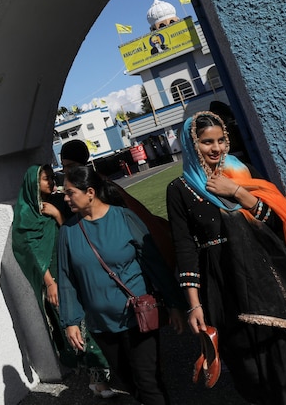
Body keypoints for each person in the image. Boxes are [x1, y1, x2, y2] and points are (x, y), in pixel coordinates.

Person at [166, 111, 286, 404]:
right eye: (206, 142)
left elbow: (277, 225)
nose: (216, 148)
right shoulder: (180, 190)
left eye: (220, 140)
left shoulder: (242, 173)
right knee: (252, 371)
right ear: (191, 145)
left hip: (268, 281)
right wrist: (193, 305)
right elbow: (185, 248)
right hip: (223, 289)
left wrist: (238, 192)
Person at [58, 165, 185, 405]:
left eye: (70, 192)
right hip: (101, 323)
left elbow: (154, 263)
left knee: (148, 380)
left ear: (90, 192)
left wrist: (174, 303)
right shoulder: (68, 232)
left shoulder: (124, 218)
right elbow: (66, 278)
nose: (65, 198)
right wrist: (71, 321)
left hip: (138, 315)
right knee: (127, 380)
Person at [11, 164, 114, 399]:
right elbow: (31, 254)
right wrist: (49, 283)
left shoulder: (59, 203)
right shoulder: (25, 215)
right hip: (55, 280)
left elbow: (72, 231)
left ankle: (100, 377)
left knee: (94, 322)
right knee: (78, 329)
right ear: (33, 184)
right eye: (45, 179)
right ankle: (97, 381)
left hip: (74, 271)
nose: (51, 182)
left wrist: (58, 216)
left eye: (50, 177)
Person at [60, 139, 177, 270]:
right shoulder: (93, 184)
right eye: (64, 166)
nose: (66, 171)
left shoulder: (101, 185)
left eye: (70, 166)